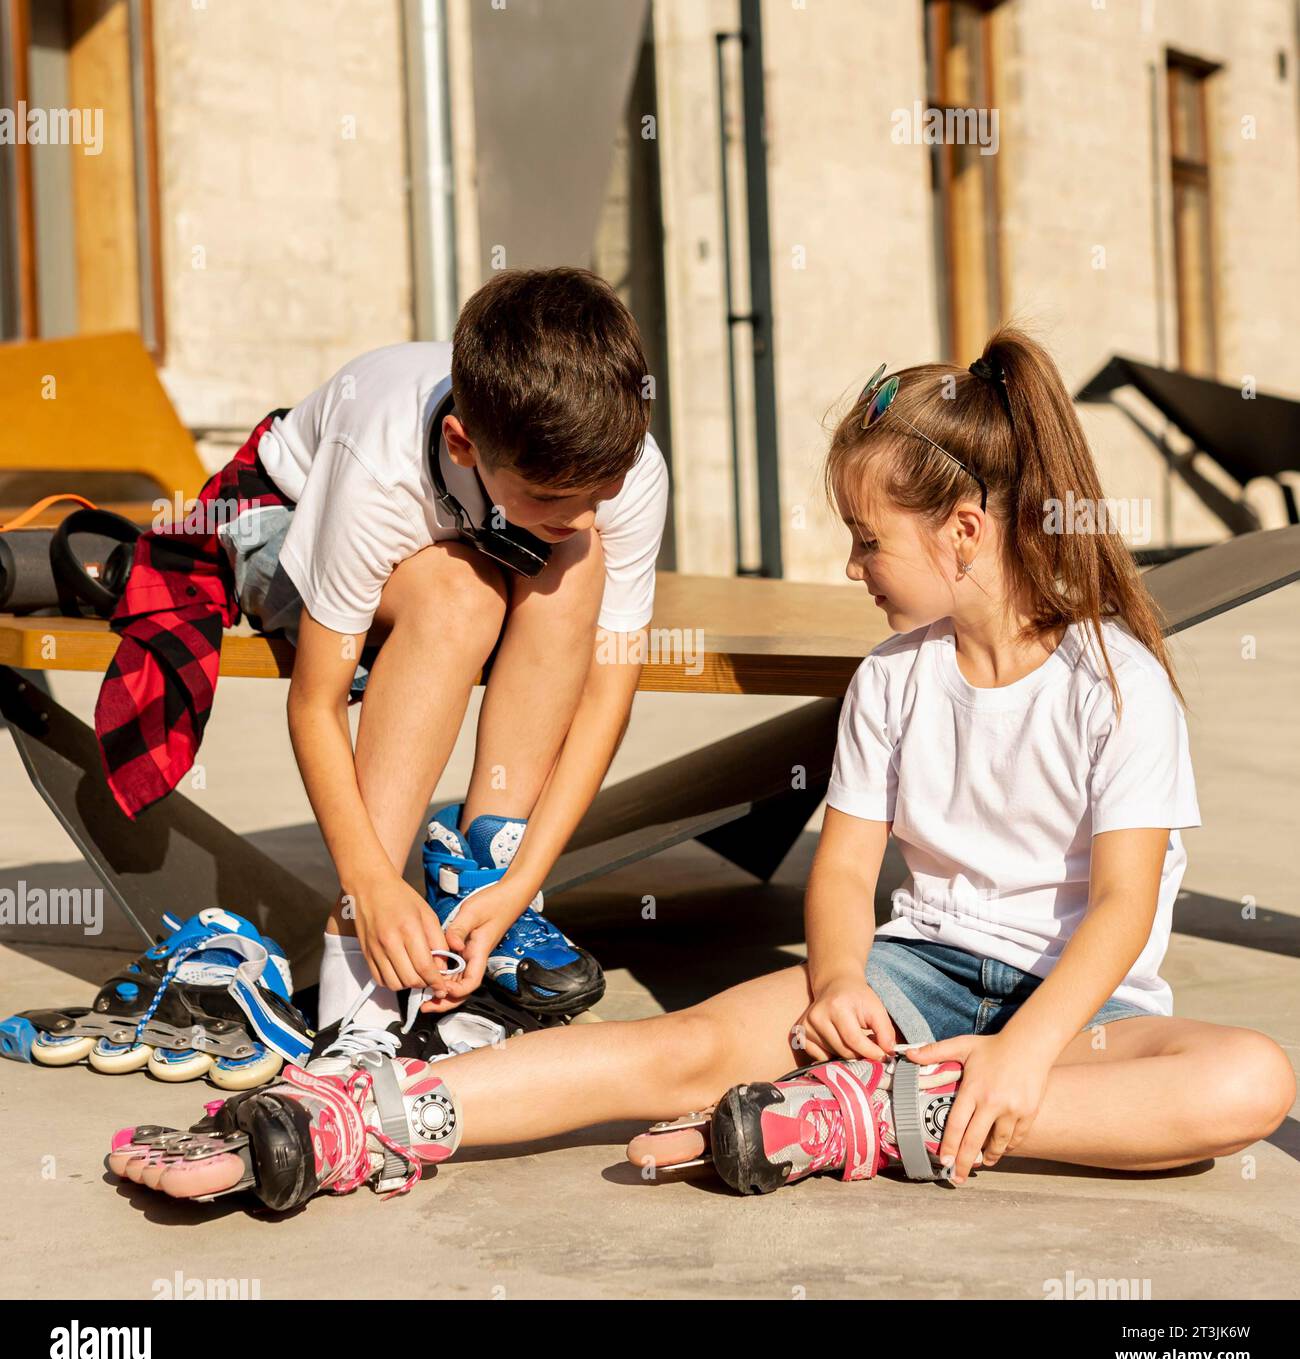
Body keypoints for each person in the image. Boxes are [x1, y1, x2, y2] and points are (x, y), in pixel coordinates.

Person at [109, 326, 1294, 1207]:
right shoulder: (891, 677)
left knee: (1241, 1083)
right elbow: (842, 874)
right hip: (913, 975)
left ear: (964, 533)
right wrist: (836, 983)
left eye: (865, 540)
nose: (850, 565)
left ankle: (863, 1120)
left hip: (1084, 1016)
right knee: (668, 1051)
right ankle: (355, 1117)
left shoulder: (1114, 679)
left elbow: (1125, 907)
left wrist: (1026, 1051)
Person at [96, 267, 669, 1032]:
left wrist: (524, 879)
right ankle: (354, 956)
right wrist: (368, 883)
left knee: (575, 561)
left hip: (472, 531)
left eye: (600, 496)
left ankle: (483, 864)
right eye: (555, 500)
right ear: (464, 445)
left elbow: (608, 693)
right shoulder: (378, 469)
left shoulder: (614, 472)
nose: (588, 514)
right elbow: (316, 703)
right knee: (457, 597)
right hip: (286, 509)